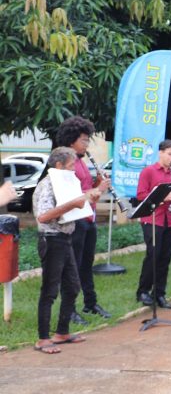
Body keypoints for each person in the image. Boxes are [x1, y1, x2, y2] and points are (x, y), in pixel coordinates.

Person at [33, 147, 101, 354]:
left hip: (65, 238)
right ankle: (42, 338)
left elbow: (72, 207)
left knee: (72, 286)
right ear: (59, 165)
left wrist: (87, 200)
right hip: (51, 239)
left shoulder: (65, 182)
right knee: (50, 290)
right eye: (71, 166)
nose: (74, 170)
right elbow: (43, 217)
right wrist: (73, 203)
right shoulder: (47, 185)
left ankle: (62, 332)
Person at [55, 116, 111, 324]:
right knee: (73, 266)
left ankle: (90, 302)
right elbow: (72, 195)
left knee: (86, 264)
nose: (87, 144)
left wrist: (99, 182)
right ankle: (69, 310)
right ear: (72, 141)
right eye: (84, 140)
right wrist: (98, 189)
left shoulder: (81, 161)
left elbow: (87, 188)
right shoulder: (66, 163)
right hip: (75, 220)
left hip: (89, 217)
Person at [135, 140, 171, 309]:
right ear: (160, 153)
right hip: (152, 218)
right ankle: (143, 291)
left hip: (168, 219)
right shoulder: (149, 171)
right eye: (169, 154)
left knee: (165, 257)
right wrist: (163, 198)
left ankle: (159, 293)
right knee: (153, 255)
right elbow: (140, 196)